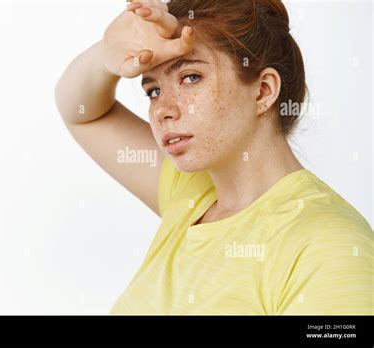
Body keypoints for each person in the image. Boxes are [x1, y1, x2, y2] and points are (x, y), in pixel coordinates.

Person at [55, 0, 373, 314]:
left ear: (263, 91)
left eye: (190, 77)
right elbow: (81, 112)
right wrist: (108, 51)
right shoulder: (191, 192)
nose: (163, 109)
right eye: (153, 90)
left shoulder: (329, 247)